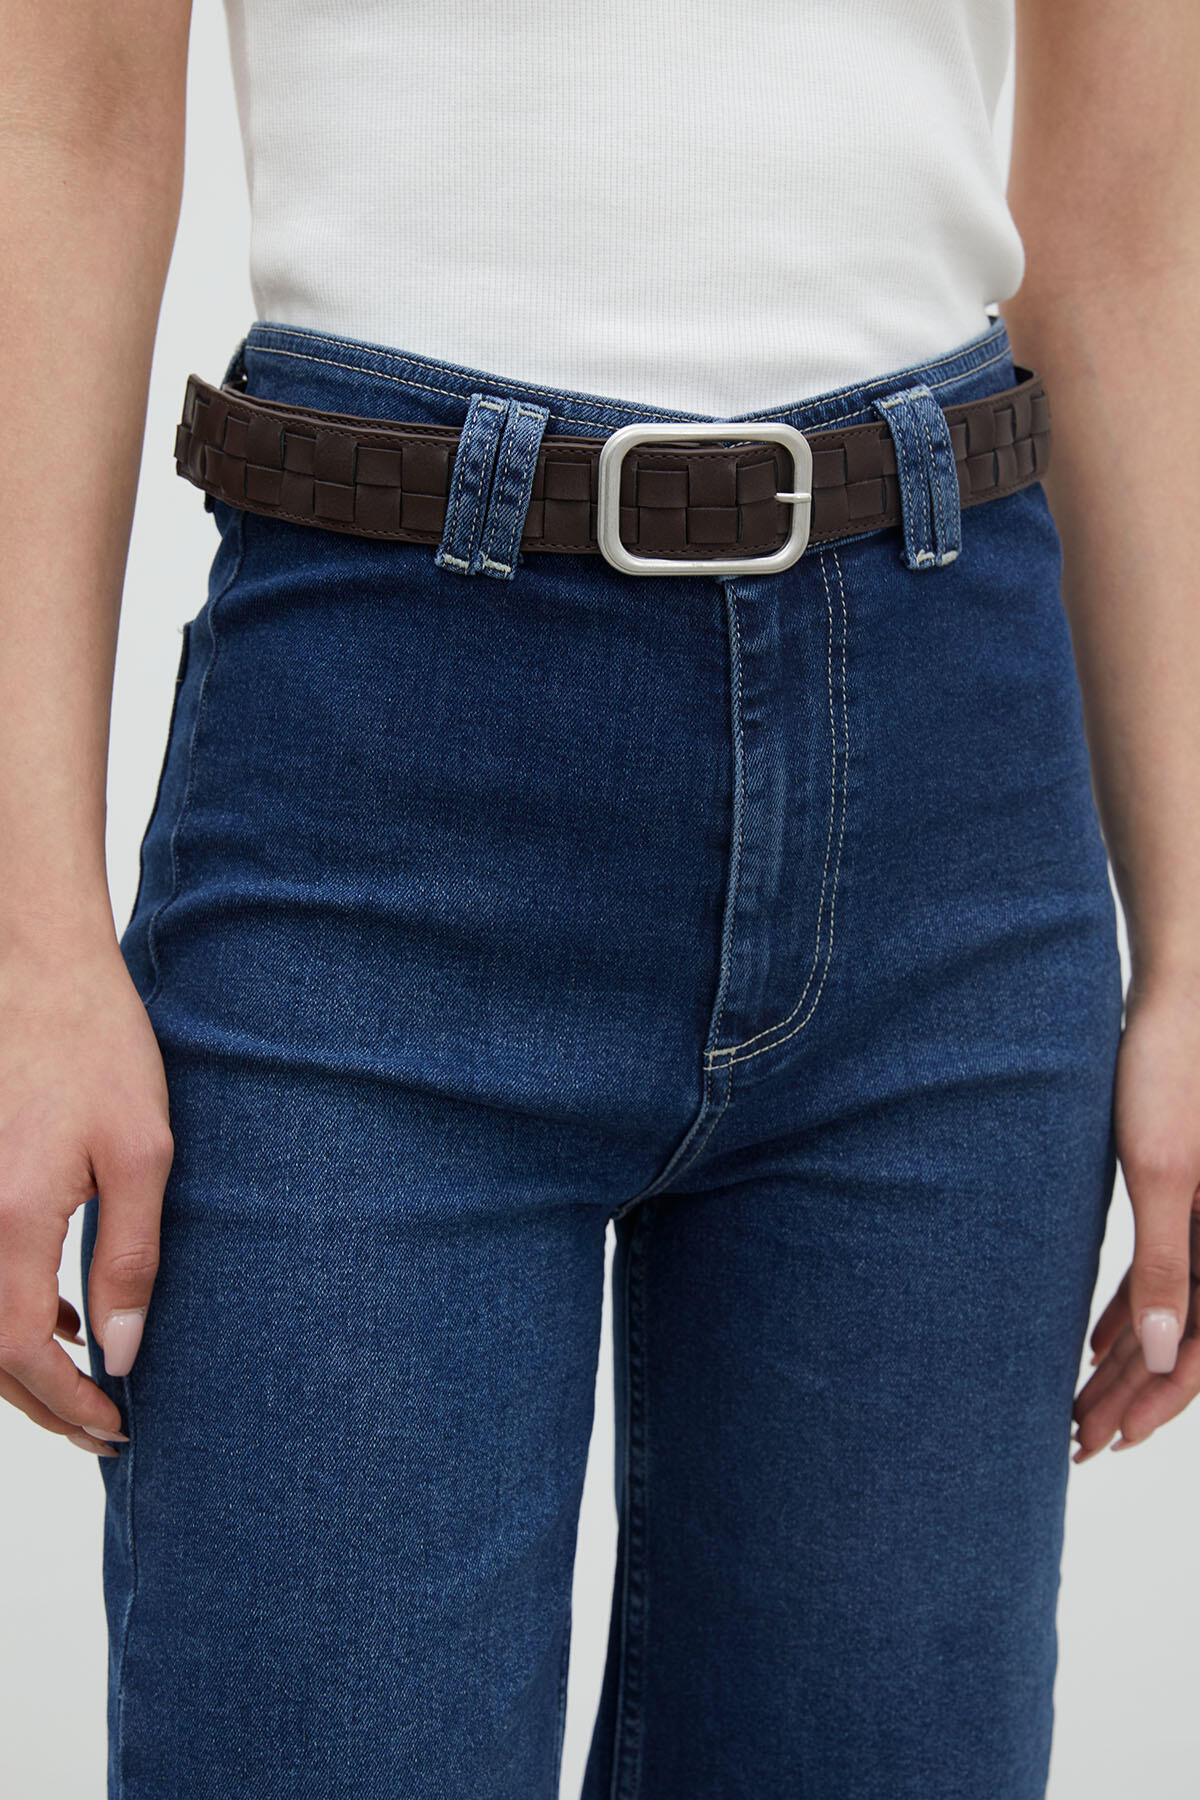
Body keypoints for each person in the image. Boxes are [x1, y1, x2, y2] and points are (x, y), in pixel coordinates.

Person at [2, 1, 1198, 1796]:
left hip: (945, 782)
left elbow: (1134, 216)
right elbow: (57, 140)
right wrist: (25, 938)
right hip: (376, 772)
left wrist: (1196, 944)